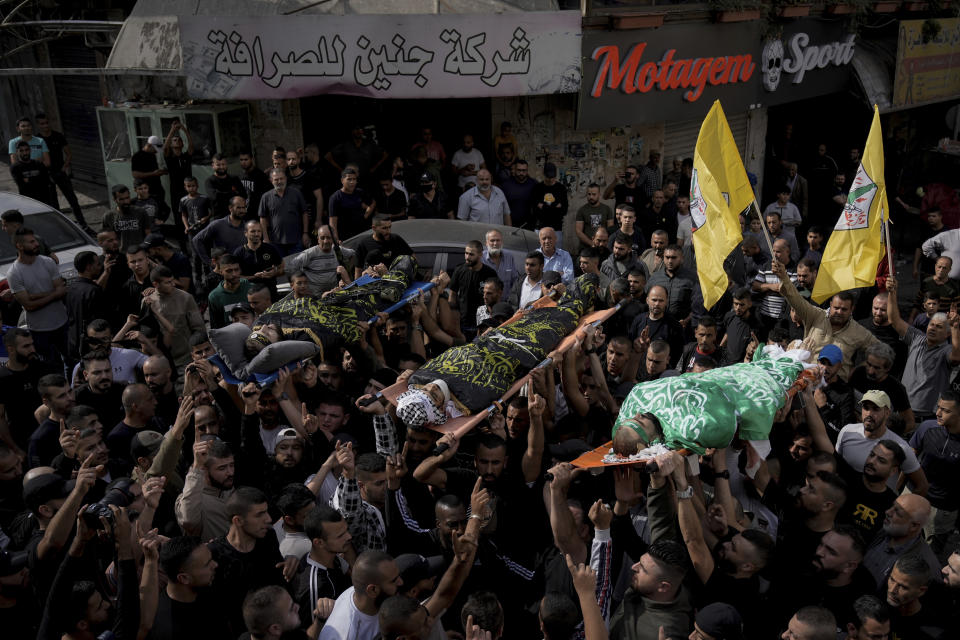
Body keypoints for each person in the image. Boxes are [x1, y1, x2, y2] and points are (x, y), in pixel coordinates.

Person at [772, 259, 878, 379]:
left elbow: (881, 352)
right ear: (830, 304)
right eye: (836, 308)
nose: (839, 312)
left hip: (837, 390)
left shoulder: (858, 331)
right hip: (807, 381)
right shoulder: (816, 315)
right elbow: (796, 300)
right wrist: (784, 277)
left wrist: (856, 371)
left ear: (852, 309)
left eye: (844, 309)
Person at [886, 277, 960, 422]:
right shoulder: (917, 338)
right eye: (932, 324)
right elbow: (894, 320)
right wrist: (892, 292)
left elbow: (956, 358)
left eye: (939, 327)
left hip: (926, 418)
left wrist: (955, 328)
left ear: (947, 334)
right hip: (901, 411)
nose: (932, 328)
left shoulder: (946, 351)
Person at [7, 228, 68, 371]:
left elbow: (62, 291)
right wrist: (53, 294)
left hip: (62, 323)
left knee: (70, 360)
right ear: (19, 246)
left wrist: (34, 296)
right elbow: (29, 306)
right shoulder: (14, 273)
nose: (36, 244)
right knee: (48, 366)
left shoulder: (47, 262)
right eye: (32, 242)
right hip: (39, 330)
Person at [909, 390, 960, 554]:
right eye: (939, 407)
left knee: (929, 553)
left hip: (943, 509)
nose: (938, 413)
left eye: (946, 410)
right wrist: (901, 491)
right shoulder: (927, 427)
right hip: (915, 495)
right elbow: (910, 457)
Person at [449, 240, 498, 339]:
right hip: (462, 325)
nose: (467, 257)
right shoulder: (459, 270)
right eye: (466, 253)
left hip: (482, 326)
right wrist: (453, 318)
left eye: (471, 254)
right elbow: (452, 295)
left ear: (480, 255)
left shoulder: (489, 273)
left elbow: (495, 298)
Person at [259, 167, 310, 256]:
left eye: (281, 178)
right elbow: (262, 218)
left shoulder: (296, 193)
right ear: (271, 180)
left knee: (296, 267)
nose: (279, 181)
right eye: (276, 179)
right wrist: (265, 238)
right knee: (280, 268)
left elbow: (304, 213)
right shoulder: (266, 197)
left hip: (296, 240)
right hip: (276, 242)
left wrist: (305, 233)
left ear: (286, 178)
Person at [232, 219, 284, 294]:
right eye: (253, 231)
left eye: (259, 231)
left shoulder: (270, 249)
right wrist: (254, 277)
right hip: (248, 294)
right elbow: (235, 277)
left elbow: (282, 268)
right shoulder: (239, 253)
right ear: (245, 233)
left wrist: (274, 273)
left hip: (270, 292)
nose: (256, 234)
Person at [193, 195, 248, 264]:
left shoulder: (248, 226)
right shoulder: (217, 224)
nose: (242, 210)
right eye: (238, 208)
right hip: (222, 270)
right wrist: (208, 262)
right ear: (230, 208)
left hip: (241, 268)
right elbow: (196, 240)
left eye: (244, 207)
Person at [102, 184, 152, 252]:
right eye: (121, 199)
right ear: (114, 199)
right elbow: (105, 238)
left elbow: (148, 234)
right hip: (120, 254)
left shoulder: (141, 212)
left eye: (127, 198)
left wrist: (148, 250)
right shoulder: (108, 216)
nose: (125, 201)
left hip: (138, 253)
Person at [208, 254, 253, 329]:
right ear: (220, 272)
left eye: (236, 269)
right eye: (229, 271)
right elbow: (216, 326)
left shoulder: (251, 288)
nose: (234, 274)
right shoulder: (214, 296)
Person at [9, 140, 57, 209]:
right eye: (21, 151)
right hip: (28, 202)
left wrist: (29, 180)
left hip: (44, 200)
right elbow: (22, 185)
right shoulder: (15, 167)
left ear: (30, 150)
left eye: (26, 150)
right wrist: (38, 179)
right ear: (17, 152)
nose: (25, 153)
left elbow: (46, 181)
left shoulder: (38, 164)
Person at [162, 120, 194, 215]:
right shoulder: (170, 158)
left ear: (182, 144)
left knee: (190, 213)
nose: (177, 141)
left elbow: (191, 145)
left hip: (188, 189)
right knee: (178, 213)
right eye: (174, 140)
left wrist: (184, 129)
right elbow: (165, 148)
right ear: (171, 144)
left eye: (179, 140)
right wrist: (172, 130)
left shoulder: (186, 156)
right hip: (175, 190)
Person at [531, 163, 568, 240]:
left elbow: (564, 210)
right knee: (539, 251)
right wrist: (555, 207)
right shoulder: (538, 188)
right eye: (548, 177)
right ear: (544, 175)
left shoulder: (561, 189)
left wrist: (543, 207)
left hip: (556, 228)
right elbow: (535, 211)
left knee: (557, 251)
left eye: (553, 177)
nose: (551, 179)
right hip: (540, 228)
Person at [575, 184, 614, 251]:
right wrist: (592, 243)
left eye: (594, 194)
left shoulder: (607, 209)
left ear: (599, 194)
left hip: (603, 247)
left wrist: (603, 244)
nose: (591, 197)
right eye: (589, 194)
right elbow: (578, 231)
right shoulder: (582, 210)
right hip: (586, 248)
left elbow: (610, 230)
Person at [131, 134, 168, 204]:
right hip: (146, 192)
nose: (156, 151)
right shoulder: (137, 156)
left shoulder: (152, 155)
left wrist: (161, 172)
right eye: (155, 149)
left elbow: (153, 170)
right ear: (149, 145)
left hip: (157, 189)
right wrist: (153, 173)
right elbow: (135, 174)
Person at [239, 150, 273, 217]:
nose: (243, 162)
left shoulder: (260, 176)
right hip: (245, 214)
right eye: (241, 160)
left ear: (252, 159)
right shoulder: (240, 176)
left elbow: (267, 196)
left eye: (246, 159)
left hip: (258, 214)